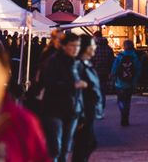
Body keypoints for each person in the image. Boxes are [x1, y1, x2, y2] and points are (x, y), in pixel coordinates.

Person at [39, 32, 86, 162]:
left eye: (78, 46)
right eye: (72, 45)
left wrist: (81, 111)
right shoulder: (53, 61)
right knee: (56, 147)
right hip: (54, 110)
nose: (76, 49)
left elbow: (79, 92)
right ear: (64, 46)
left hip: (72, 111)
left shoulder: (78, 63)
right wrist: (73, 85)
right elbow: (50, 84)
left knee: (65, 148)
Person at [72, 36, 103, 162]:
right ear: (86, 48)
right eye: (93, 45)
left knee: (87, 144)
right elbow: (76, 91)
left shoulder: (87, 64)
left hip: (89, 110)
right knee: (85, 144)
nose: (95, 47)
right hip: (83, 112)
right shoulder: (79, 66)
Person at [110, 40, 141, 126]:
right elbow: (138, 70)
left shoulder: (120, 56)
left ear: (124, 46)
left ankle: (122, 113)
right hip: (130, 83)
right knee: (127, 101)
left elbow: (114, 68)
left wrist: (112, 76)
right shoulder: (135, 57)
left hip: (119, 83)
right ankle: (125, 117)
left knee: (120, 100)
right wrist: (135, 82)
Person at [90, 31, 114, 112]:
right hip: (105, 72)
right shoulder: (109, 48)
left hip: (95, 71)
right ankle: (102, 106)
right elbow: (112, 61)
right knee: (103, 90)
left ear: (95, 37)